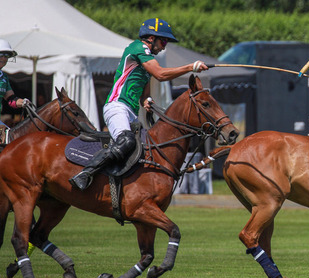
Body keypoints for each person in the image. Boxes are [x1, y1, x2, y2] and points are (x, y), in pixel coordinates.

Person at [69, 18, 209, 190]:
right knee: (126, 141)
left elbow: (144, 95)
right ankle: (85, 174)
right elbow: (160, 74)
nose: (164, 47)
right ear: (151, 38)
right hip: (117, 106)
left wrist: (147, 101)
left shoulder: (145, 64)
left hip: (131, 112)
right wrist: (190, 67)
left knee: (146, 148)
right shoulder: (138, 48)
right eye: (163, 41)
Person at [0, 39, 29, 144]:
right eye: (1, 55)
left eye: (6, 56)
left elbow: (11, 99)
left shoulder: (4, 77)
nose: (4, 58)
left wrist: (23, 102)